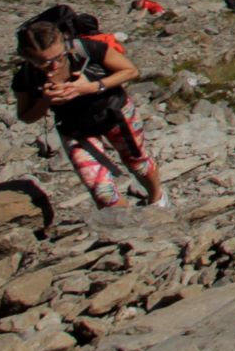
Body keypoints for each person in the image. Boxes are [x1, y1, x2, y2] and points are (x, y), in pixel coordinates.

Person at [12, 12, 167, 210]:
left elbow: (130, 71)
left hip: (114, 111)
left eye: (59, 57)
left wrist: (88, 87)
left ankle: (157, 199)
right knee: (100, 190)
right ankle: (128, 223)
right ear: (27, 57)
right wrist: (45, 101)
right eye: (43, 62)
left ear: (64, 42)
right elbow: (25, 116)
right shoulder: (25, 78)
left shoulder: (86, 49)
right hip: (74, 128)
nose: (54, 65)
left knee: (138, 163)